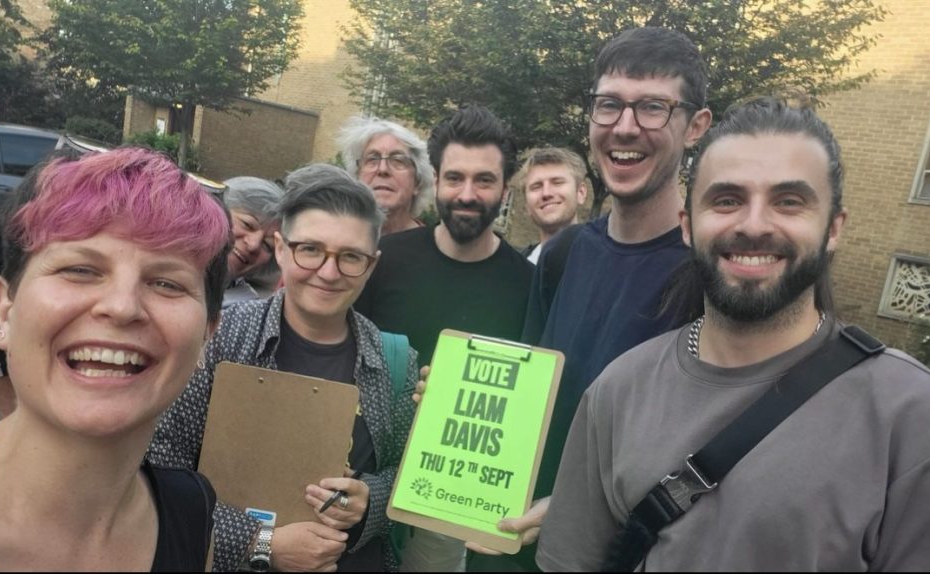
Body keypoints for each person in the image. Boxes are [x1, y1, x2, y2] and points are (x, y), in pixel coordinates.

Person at [537, 97, 930, 571]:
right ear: (688, 226)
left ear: (833, 228)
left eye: (788, 202)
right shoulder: (618, 390)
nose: (754, 225)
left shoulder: (920, 422)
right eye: (727, 200)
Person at [0, 147, 231, 570]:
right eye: (81, 270)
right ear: (4, 308)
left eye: (166, 283)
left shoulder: (194, 511)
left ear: (206, 336)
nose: (122, 307)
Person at [481, 27, 712, 572]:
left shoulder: (708, 272)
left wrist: (583, 507)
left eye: (653, 107)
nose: (624, 127)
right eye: (608, 105)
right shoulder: (562, 253)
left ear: (696, 126)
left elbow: (711, 449)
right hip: (513, 540)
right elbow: (530, 392)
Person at [148, 163, 418, 572]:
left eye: (350, 257)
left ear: (372, 264)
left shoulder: (395, 359)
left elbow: (408, 473)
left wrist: (370, 501)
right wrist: (262, 544)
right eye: (310, 249)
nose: (328, 273)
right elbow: (161, 470)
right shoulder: (220, 339)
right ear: (280, 248)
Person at [353, 105, 533, 571]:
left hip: (454, 509)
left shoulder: (529, 287)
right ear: (436, 179)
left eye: (484, 180)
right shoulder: (382, 261)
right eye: (455, 178)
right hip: (367, 483)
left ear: (505, 189)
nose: (467, 194)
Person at [0, 173, 284, 417]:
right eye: (248, 225)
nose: (254, 245)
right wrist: (19, 414)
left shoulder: (252, 304)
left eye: (269, 243)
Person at [338, 116, 436, 235]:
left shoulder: (431, 249)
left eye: (398, 160)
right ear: (357, 176)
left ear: (418, 182)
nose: (383, 169)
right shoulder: (335, 241)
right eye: (372, 159)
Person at [513, 147, 588, 264]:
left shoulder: (607, 265)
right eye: (536, 186)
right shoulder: (517, 271)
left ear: (581, 193)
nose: (546, 193)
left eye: (557, 182)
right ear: (527, 205)